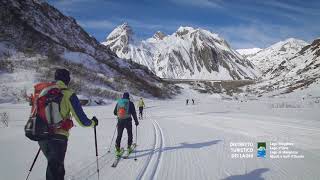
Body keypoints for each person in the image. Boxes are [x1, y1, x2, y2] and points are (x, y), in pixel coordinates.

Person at [38, 68, 98, 180]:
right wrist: (93, 122)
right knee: (56, 172)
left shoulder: (44, 92)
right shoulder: (68, 94)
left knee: (54, 168)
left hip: (41, 135)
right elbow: (83, 121)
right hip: (58, 138)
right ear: (67, 80)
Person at [114, 92, 139, 157]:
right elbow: (134, 113)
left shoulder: (119, 102)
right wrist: (136, 121)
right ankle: (129, 147)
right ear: (128, 97)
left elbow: (114, 112)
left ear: (123, 97)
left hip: (120, 121)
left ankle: (117, 149)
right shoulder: (130, 103)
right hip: (128, 121)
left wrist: (120, 114)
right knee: (129, 134)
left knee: (119, 135)